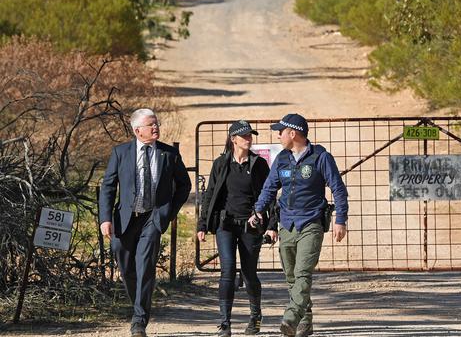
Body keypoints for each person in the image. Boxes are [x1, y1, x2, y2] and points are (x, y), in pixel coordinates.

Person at [250, 113, 348, 337]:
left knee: (303, 273)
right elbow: (269, 188)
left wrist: (340, 219)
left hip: (311, 222)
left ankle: (291, 318)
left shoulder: (321, 157)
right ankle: (306, 320)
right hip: (287, 223)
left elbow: (338, 189)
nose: (278, 135)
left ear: (292, 133)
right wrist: (257, 209)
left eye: (281, 131)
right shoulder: (282, 159)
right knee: (291, 276)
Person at [99, 108, 191, 337]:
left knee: (146, 267)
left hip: (152, 218)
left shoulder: (168, 154)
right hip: (125, 220)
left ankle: (139, 321)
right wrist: (105, 218)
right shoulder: (121, 152)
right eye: (151, 124)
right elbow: (108, 187)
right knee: (126, 267)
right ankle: (138, 305)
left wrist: (168, 212)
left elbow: (184, 186)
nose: (156, 127)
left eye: (157, 123)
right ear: (138, 130)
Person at [196, 120, 276, 337]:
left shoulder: (258, 165)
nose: (249, 139)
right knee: (227, 271)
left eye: (251, 136)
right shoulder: (221, 164)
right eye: (245, 136)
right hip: (226, 225)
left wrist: (271, 225)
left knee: (250, 273)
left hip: (251, 225)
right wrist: (202, 224)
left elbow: (269, 196)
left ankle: (255, 317)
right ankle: (225, 323)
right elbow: (209, 195)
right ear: (233, 139)